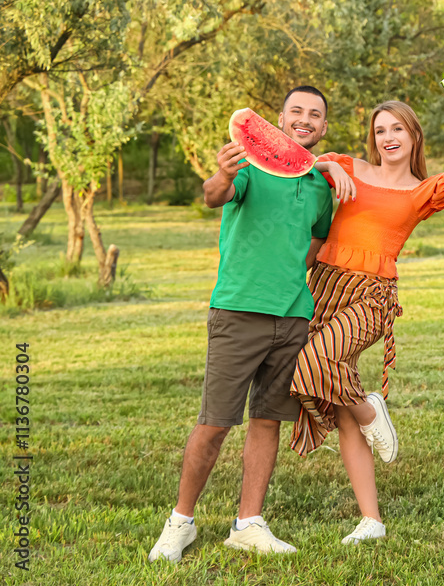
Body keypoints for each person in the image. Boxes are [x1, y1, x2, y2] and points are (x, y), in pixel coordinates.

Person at [288, 72, 444, 545]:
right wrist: (332, 168)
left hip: (371, 295)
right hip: (323, 287)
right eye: (381, 130)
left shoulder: (419, 192)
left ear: (413, 137)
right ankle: (372, 520)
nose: (388, 137)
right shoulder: (347, 165)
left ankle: (370, 410)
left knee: (314, 362)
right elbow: (302, 162)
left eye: (397, 129)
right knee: (336, 402)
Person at [149, 86, 336, 562]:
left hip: (293, 316)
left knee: (267, 420)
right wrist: (223, 171)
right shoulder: (249, 166)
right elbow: (215, 195)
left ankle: (248, 523)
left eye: (315, 115)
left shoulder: (320, 186)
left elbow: (313, 249)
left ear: (324, 127)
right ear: (279, 118)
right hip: (237, 310)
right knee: (214, 422)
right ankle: (180, 523)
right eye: (296, 111)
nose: (304, 120)